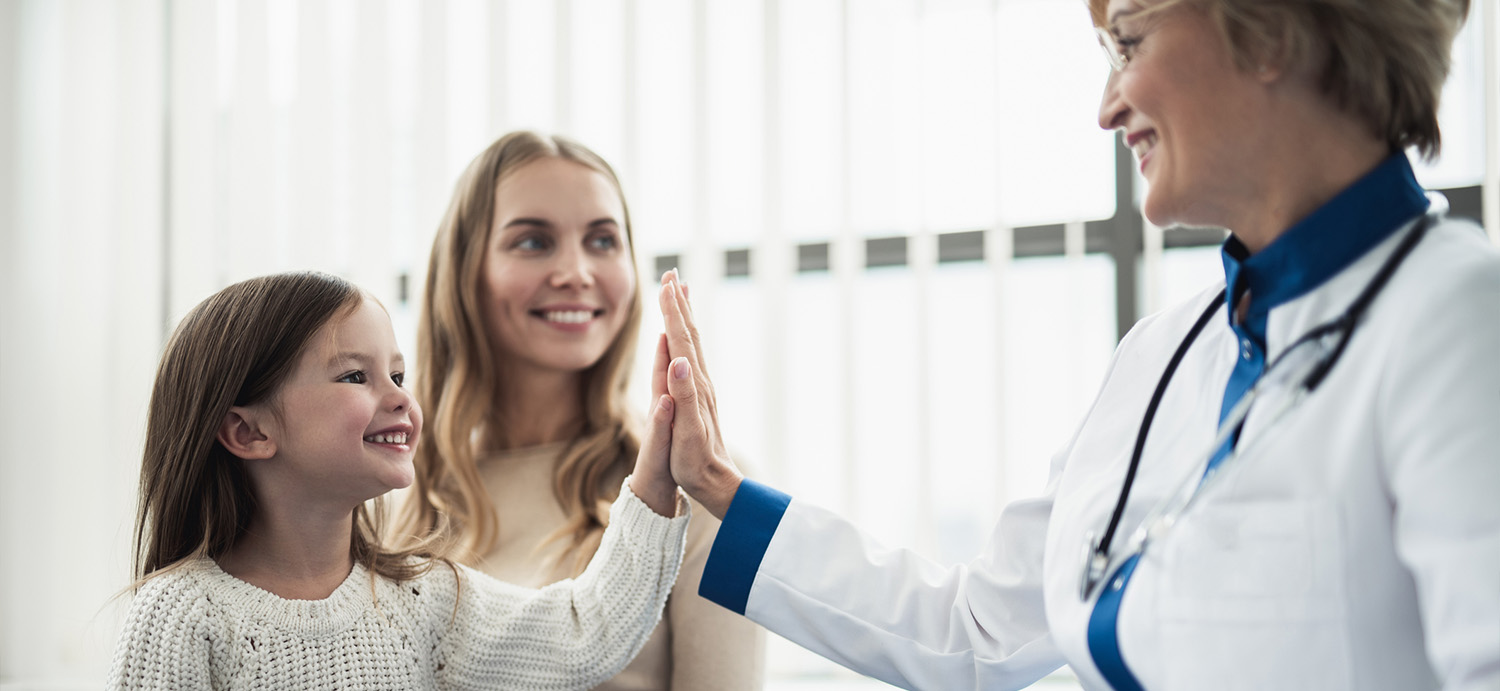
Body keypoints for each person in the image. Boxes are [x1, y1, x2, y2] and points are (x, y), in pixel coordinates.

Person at [652, 0, 1500, 689]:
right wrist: (718, 484)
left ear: (1271, 30)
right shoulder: (1161, 356)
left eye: (1127, 43)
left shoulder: (1455, 317)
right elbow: (976, 635)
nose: (1107, 107)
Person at [109, 271, 689, 690]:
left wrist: (656, 481)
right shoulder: (182, 616)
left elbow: (586, 632)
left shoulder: (426, 600)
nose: (401, 400)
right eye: (356, 375)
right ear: (248, 431)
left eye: (398, 374)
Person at [396, 131, 764, 690]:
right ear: (465, 272)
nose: (576, 272)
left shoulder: (702, 490)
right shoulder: (387, 499)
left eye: (602, 241)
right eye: (533, 242)